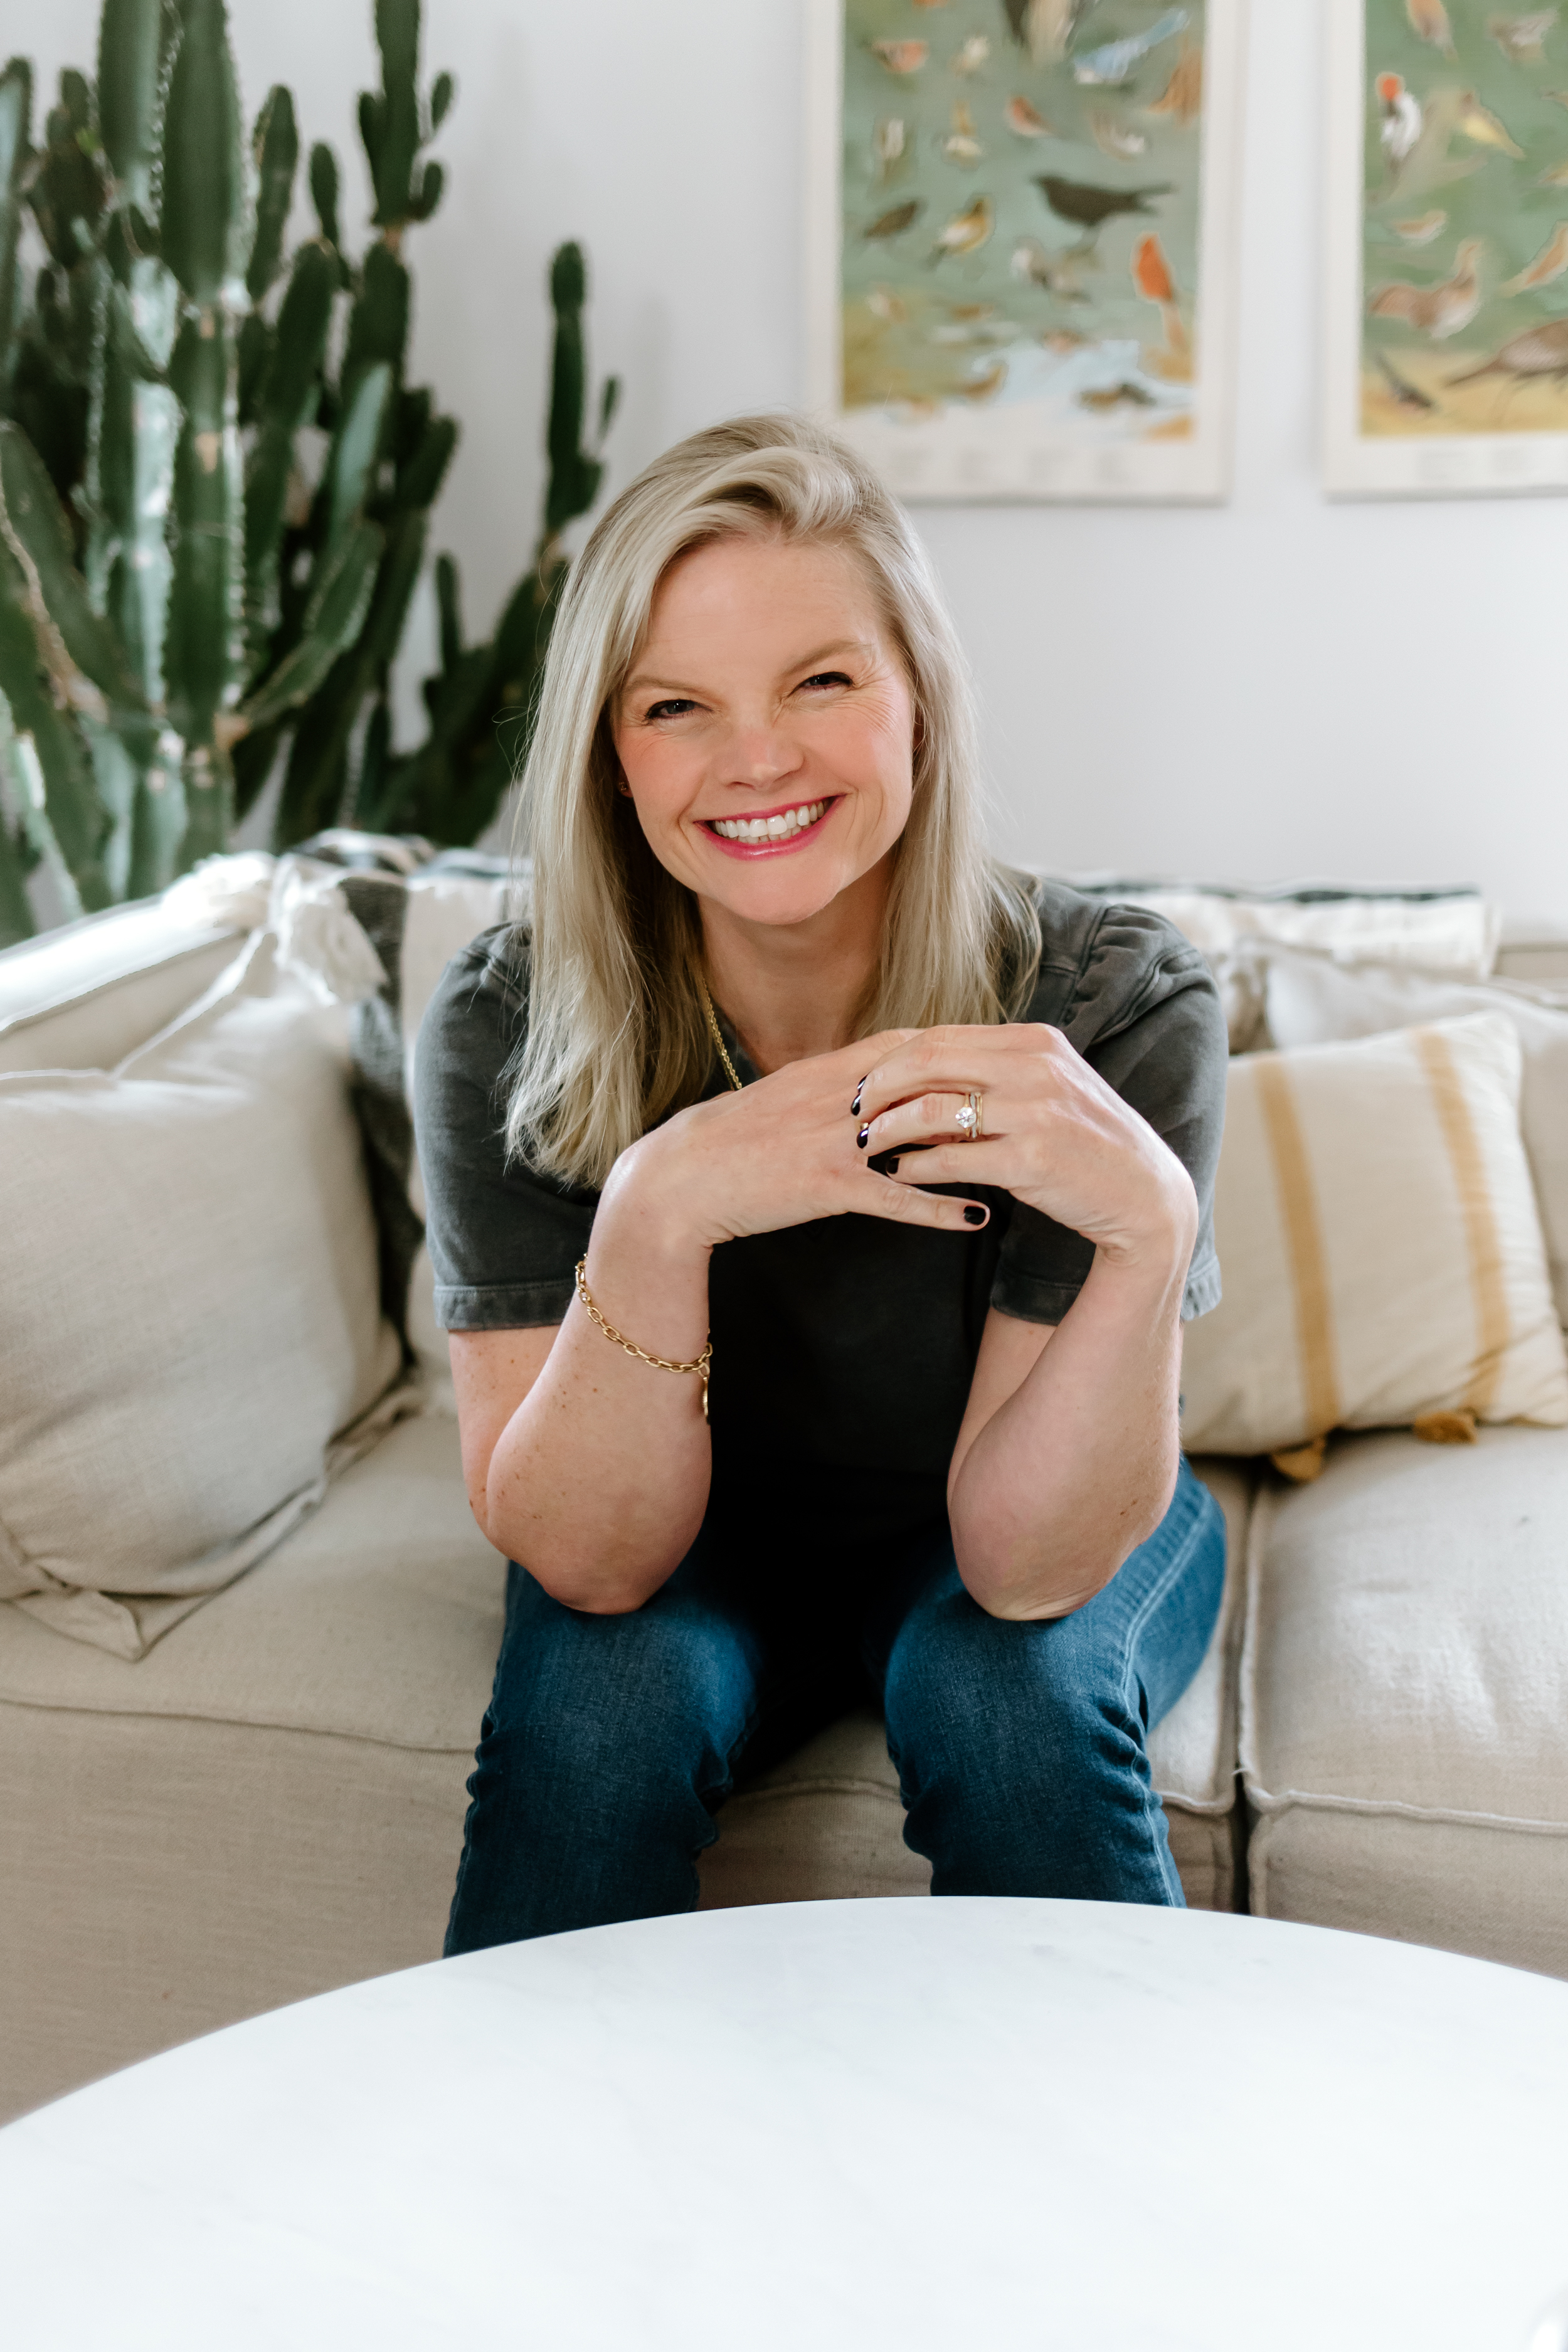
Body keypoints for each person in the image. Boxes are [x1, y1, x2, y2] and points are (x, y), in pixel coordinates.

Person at [414, 413, 1228, 1952]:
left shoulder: (1110, 1006)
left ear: (917, 698)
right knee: (595, 1714)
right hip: (694, 1537)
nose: (758, 760)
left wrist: (1151, 1234)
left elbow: (1021, 1566)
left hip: (998, 1522)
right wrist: (657, 1209)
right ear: (610, 758)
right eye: (676, 706)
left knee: (1003, 1698)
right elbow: (589, 1558)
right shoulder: (507, 1021)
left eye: (821, 682)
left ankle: (1111, 2119)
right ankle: (529, 2123)